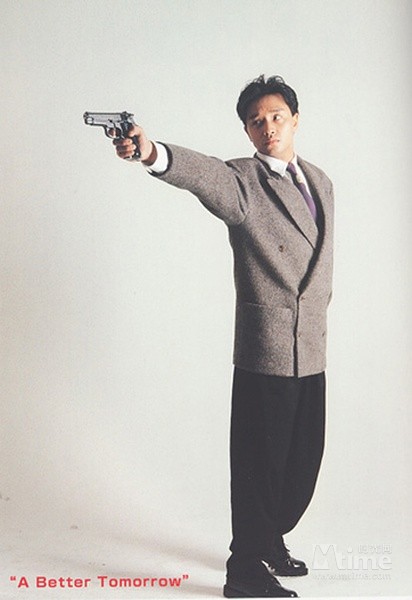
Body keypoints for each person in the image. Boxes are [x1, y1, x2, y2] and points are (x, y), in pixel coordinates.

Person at [113, 75, 334, 598]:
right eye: (256, 121)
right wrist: (151, 152)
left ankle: (270, 539)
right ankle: (245, 570)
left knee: (302, 459)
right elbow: (201, 174)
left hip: (312, 344)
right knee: (260, 462)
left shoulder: (321, 181)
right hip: (268, 346)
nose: (267, 127)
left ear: (295, 119)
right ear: (247, 132)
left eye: (276, 116)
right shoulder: (242, 182)